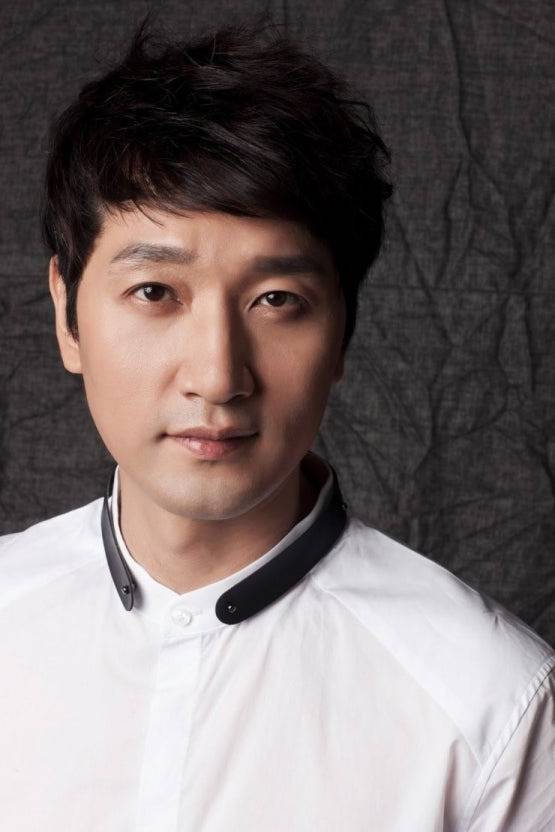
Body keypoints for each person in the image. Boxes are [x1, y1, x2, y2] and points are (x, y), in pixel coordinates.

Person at [1, 14, 553, 832]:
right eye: (154, 293)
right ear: (66, 313)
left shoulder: (494, 705)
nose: (217, 375)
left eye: (276, 300)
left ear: (343, 332)